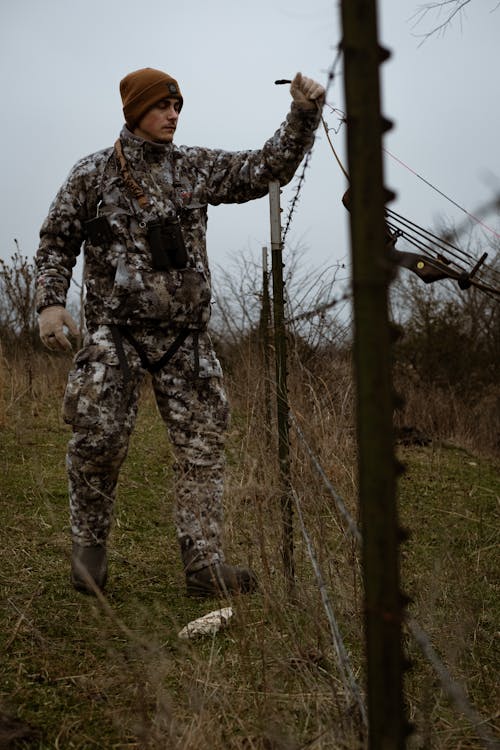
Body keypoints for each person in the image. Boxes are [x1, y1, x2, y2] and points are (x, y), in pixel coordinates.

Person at [35, 67, 325, 597]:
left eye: (177, 107)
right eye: (162, 106)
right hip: (112, 335)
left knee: (202, 449)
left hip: (184, 340)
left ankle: (204, 565)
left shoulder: (194, 168)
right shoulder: (92, 175)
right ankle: (89, 558)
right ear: (134, 112)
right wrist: (50, 303)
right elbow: (56, 241)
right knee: (97, 443)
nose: (173, 115)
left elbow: (263, 168)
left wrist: (302, 116)